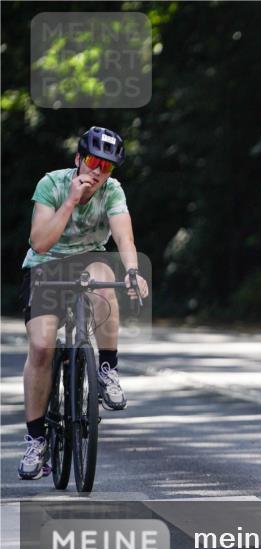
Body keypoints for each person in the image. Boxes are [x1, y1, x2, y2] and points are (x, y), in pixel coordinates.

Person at [17, 126, 149, 480]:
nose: (98, 171)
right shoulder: (52, 184)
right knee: (42, 348)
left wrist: (133, 271)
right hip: (45, 266)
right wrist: (71, 201)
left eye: (106, 167)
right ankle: (35, 439)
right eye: (92, 162)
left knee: (104, 278)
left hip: (87, 260)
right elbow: (40, 243)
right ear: (78, 160)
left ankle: (107, 370)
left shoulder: (112, 191)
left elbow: (124, 235)